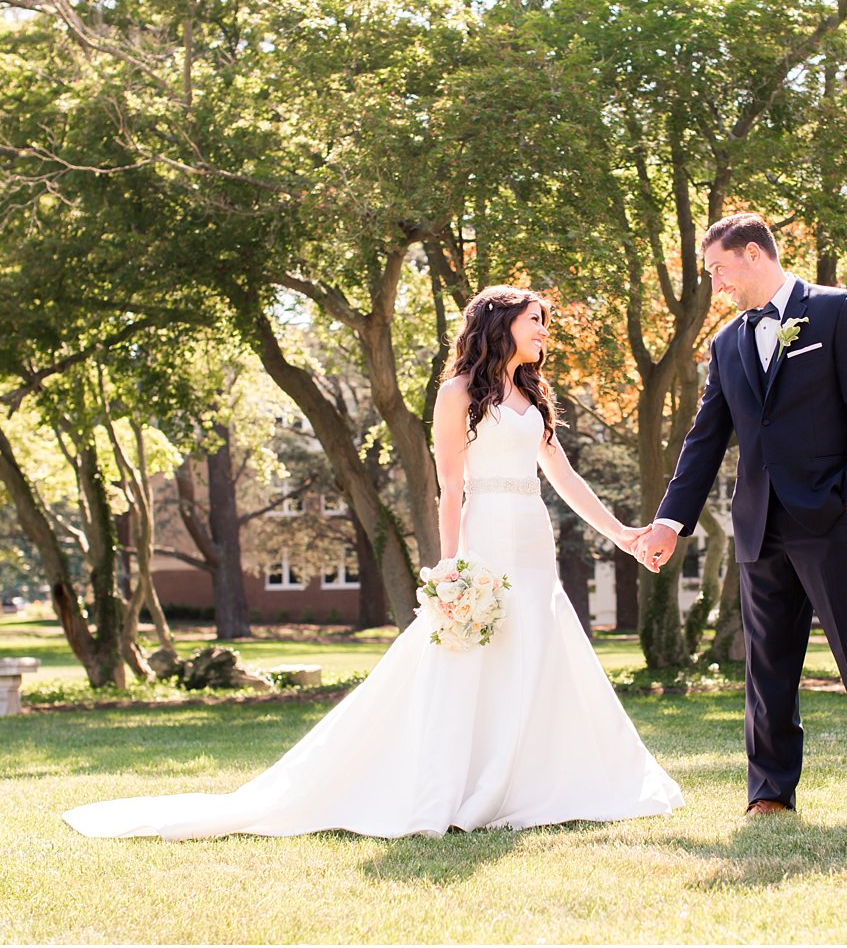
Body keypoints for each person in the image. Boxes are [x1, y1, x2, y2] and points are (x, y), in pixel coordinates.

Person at [63, 286, 683, 840]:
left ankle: (534, 782)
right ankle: (458, 784)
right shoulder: (458, 393)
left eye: (545, 322)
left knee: (538, 651)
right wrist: (450, 570)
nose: (545, 331)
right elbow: (450, 485)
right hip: (486, 540)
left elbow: (564, 477)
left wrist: (624, 533)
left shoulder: (532, 394)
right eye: (535, 320)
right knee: (473, 659)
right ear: (500, 325)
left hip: (533, 538)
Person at [634, 213, 847, 821]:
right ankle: (769, 792)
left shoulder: (840, 311)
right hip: (759, 525)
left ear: (755, 254)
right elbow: (704, 441)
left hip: (832, 518)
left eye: (719, 270)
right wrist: (670, 522)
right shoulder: (727, 343)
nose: (717, 286)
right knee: (768, 670)